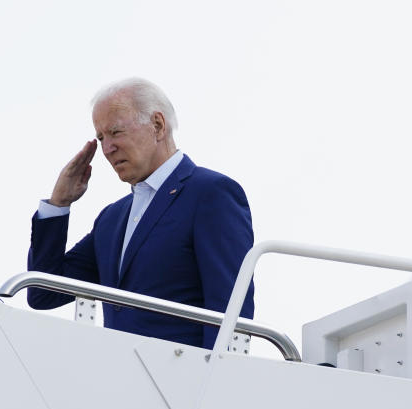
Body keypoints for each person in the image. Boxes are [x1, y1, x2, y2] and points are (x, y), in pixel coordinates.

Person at [27, 78, 255, 349]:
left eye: (116, 132)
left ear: (157, 125)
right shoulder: (111, 219)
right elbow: (43, 293)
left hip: (185, 383)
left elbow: (230, 310)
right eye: (101, 138)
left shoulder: (211, 193)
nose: (107, 149)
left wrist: (214, 386)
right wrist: (58, 204)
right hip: (121, 381)